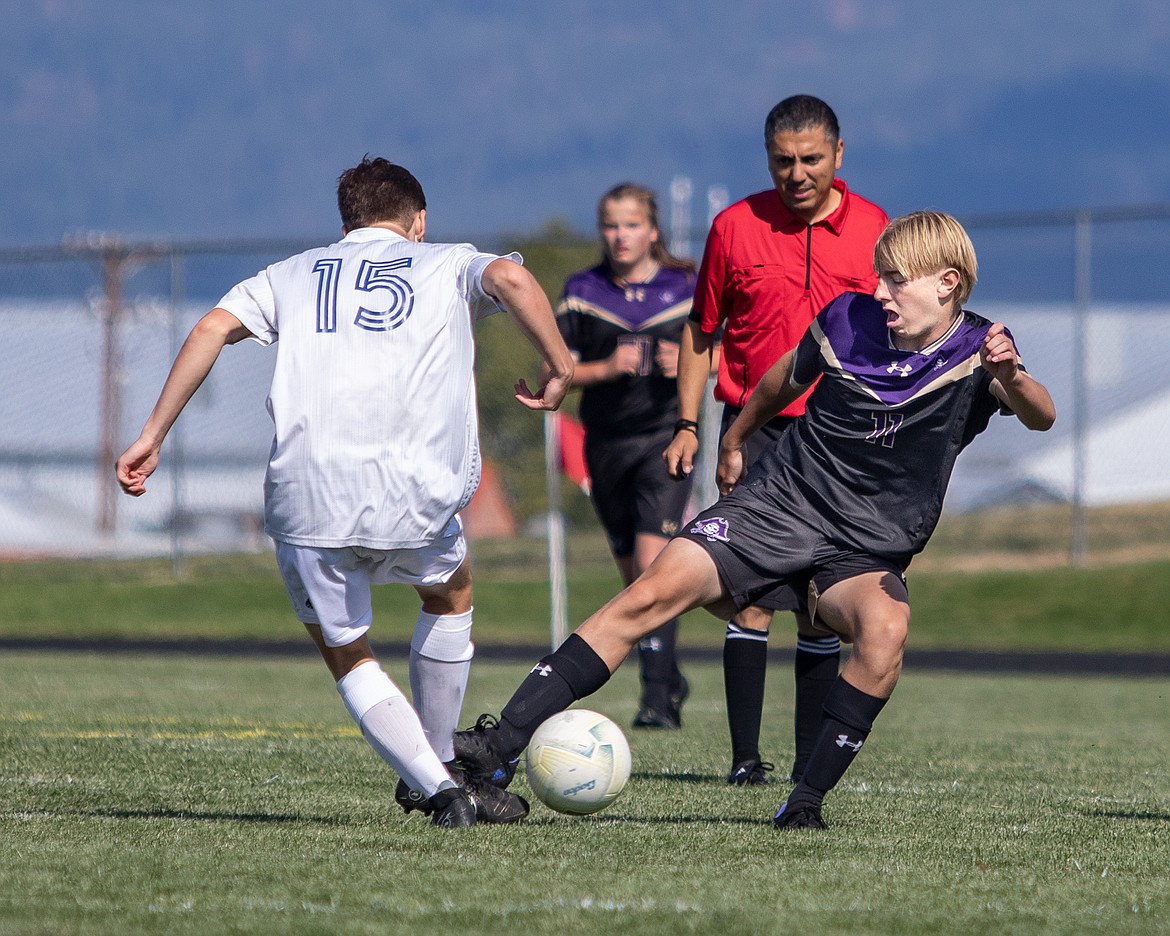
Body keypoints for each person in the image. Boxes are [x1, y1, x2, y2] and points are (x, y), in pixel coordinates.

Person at [453, 210, 1056, 830]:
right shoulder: (846, 320)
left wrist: (1009, 374)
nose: (879, 292)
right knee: (648, 593)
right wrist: (736, 438)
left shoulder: (981, 352)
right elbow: (779, 379)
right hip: (777, 506)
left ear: (946, 283)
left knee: (885, 633)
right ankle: (495, 748)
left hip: (864, 550)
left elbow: (1041, 413)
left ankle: (804, 803)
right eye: (879, 277)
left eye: (895, 280)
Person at [115, 156, 575, 829]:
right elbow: (509, 275)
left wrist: (153, 433)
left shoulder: (293, 274)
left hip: (307, 494)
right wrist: (561, 364)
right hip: (414, 490)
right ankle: (441, 767)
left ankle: (436, 786)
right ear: (418, 222)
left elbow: (211, 326)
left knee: (349, 652)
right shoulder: (446, 260)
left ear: (348, 222)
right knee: (450, 594)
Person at [663, 94, 889, 786]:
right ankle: (743, 762)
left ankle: (804, 767)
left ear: (839, 156)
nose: (797, 173)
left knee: (822, 610)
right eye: (783, 161)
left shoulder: (876, 229)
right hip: (753, 433)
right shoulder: (734, 227)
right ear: (768, 159)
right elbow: (702, 332)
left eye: (811, 159)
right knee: (751, 596)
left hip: (841, 442)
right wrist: (689, 424)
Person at [555, 183, 699, 729]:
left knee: (650, 566)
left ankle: (656, 700)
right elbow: (560, 375)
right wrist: (607, 368)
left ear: (653, 230)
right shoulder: (582, 290)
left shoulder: (685, 286)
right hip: (605, 444)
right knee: (632, 578)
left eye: (632, 224)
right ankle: (672, 674)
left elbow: (719, 355)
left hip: (666, 439)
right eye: (611, 226)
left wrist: (682, 362)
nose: (621, 236)